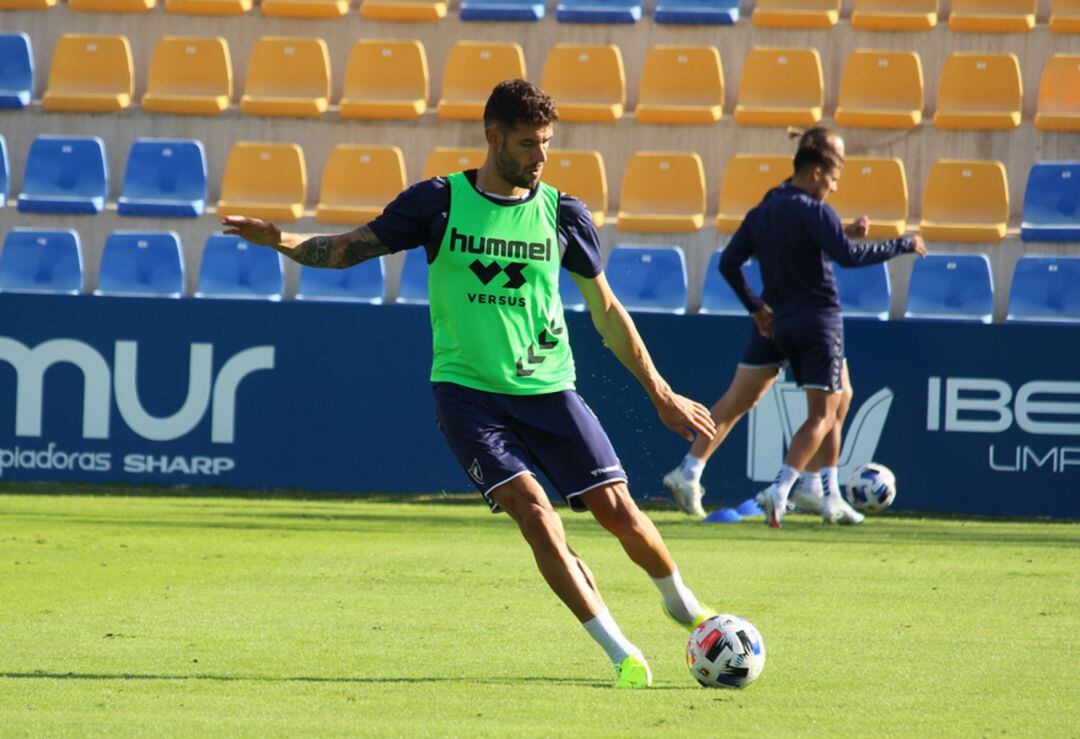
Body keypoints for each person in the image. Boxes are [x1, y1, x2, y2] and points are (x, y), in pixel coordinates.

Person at [222, 79, 717, 688]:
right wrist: (286, 242)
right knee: (535, 514)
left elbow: (608, 312)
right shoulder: (438, 202)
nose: (541, 157)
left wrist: (659, 392)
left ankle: (683, 606)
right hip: (467, 397)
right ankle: (621, 653)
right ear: (494, 137)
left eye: (547, 144)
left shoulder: (564, 213)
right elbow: (350, 249)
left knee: (618, 510)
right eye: (531, 143)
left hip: (548, 389)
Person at [663, 128, 924, 528]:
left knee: (738, 401)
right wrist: (901, 245)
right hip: (818, 320)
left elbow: (730, 263)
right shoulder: (814, 210)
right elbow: (847, 258)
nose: (834, 190)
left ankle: (690, 469)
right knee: (828, 409)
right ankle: (813, 488)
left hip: (775, 323)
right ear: (817, 173)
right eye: (834, 180)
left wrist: (756, 309)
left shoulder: (766, 208)